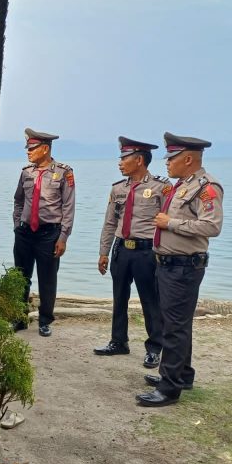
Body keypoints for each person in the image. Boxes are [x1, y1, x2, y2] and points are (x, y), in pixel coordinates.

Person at [136, 133, 223, 407]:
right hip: (168, 265)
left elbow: (212, 226)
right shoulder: (182, 186)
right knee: (176, 324)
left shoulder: (206, 187)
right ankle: (182, 374)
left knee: (174, 327)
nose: (167, 163)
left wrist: (170, 223)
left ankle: (169, 388)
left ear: (187, 159)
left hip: (183, 267)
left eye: (171, 158)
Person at [95, 137, 170, 368]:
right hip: (121, 249)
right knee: (119, 297)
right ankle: (118, 341)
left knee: (150, 300)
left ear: (139, 160)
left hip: (146, 252)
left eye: (124, 158)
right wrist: (104, 252)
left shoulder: (161, 187)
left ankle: (154, 348)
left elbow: (168, 222)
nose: (120, 162)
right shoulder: (118, 188)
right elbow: (110, 222)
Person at [13, 128, 76, 337]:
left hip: (49, 234)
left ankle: (45, 320)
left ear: (45, 149)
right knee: (20, 277)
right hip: (24, 233)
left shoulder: (64, 172)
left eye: (32, 148)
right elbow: (18, 200)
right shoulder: (26, 172)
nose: (28, 152)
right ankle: (20, 318)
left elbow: (68, 207)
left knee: (47, 279)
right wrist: (17, 225)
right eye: (28, 148)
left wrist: (63, 237)